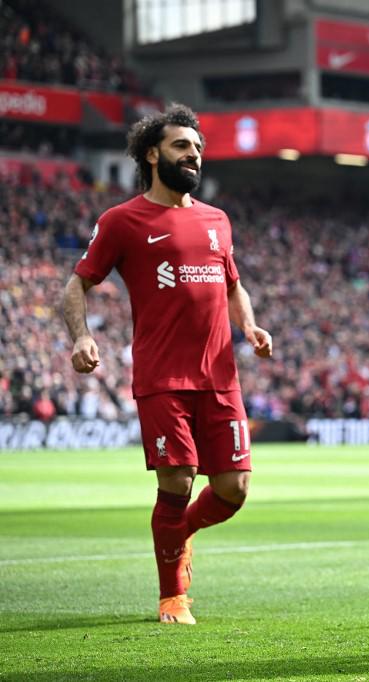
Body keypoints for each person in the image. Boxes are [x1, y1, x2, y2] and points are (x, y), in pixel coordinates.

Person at [61, 103, 273, 626]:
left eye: (198, 148)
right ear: (153, 154)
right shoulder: (121, 220)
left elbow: (232, 284)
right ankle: (172, 595)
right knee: (176, 482)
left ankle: (183, 533)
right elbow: (76, 284)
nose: (193, 155)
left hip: (221, 377)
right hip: (162, 378)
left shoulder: (216, 220)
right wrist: (81, 337)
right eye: (183, 146)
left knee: (234, 490)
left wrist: (249, 325)